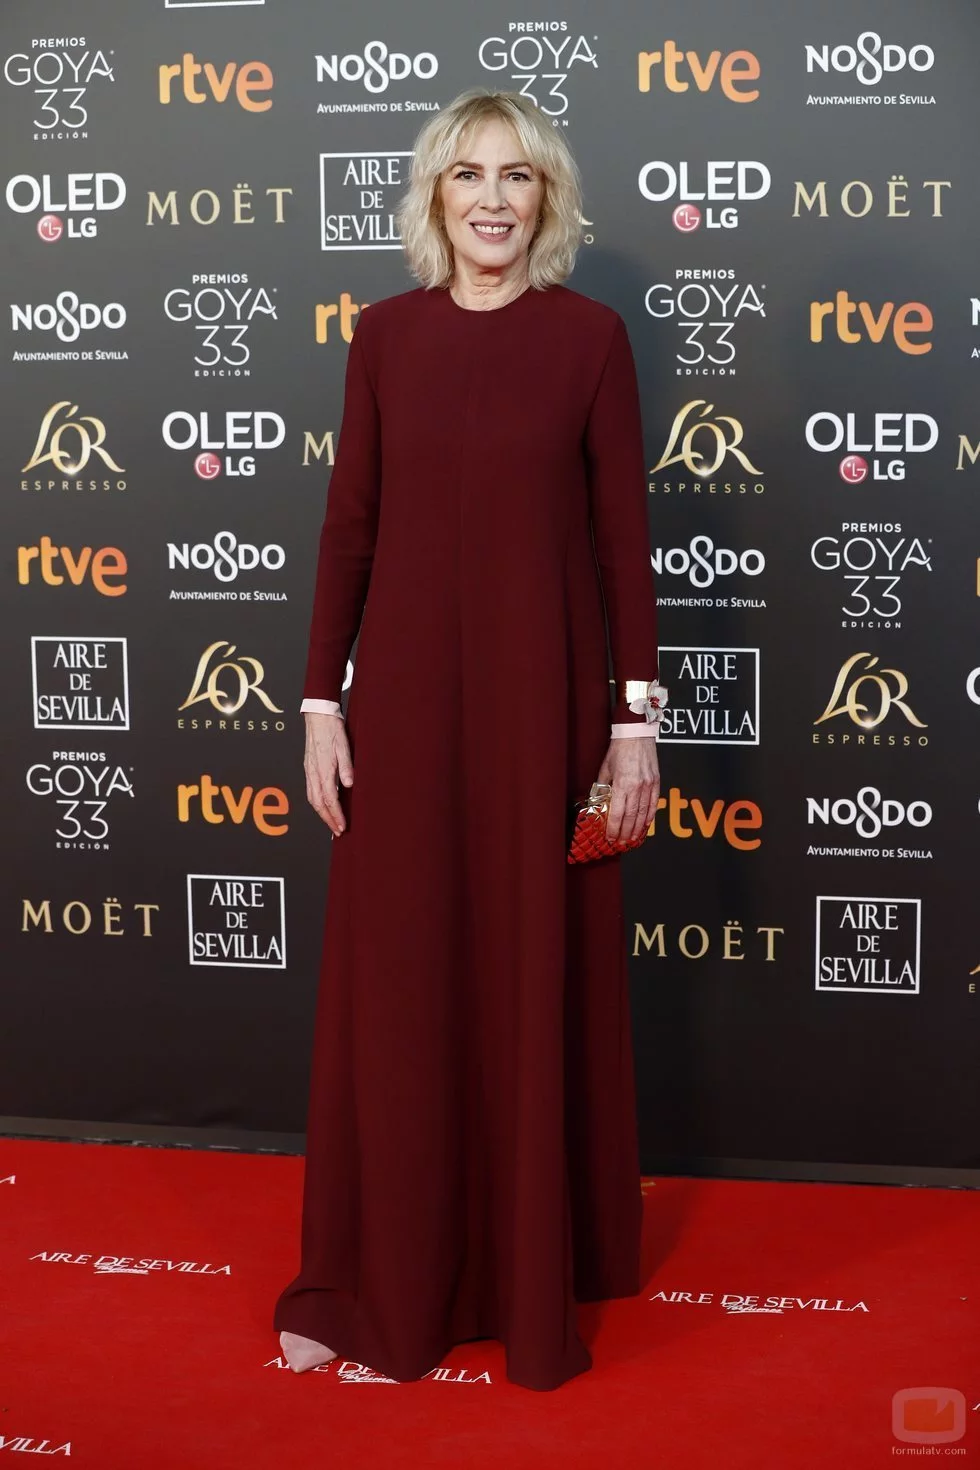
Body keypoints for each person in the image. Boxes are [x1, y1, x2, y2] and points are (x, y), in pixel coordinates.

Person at [273, 88, 664, 1393]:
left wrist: (634, 725)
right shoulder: (384, 335)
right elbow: (350, 524)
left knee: (527, 973)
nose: (493, 199)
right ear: (434, 196)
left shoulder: (591, 339)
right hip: (404, 713)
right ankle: (388, 1274)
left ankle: (525, 1272)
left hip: (542, 714)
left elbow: (623, 544)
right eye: (468, 175)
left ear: (547, 198)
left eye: (517, 176)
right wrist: (319, 705)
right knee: (403, 984)